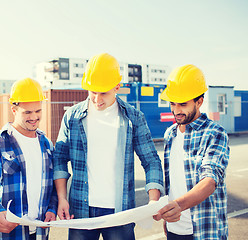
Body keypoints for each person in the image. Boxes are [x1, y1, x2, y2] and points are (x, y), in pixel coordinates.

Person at [53, 53, 164, 240]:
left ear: (117, 87)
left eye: (103, 92)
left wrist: (154, 199)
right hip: (81, 210)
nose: (97, 99)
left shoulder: (133, 118)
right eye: (92, 92)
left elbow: (151, 160)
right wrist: (62, 198)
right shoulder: (72, 117)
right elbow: (59, 159)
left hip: (120, 213)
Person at [154, 64, 229, 239]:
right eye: (172, 103)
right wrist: (168, 217)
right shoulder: (170, 134)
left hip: (204, 230)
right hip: (174, 229)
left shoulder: (215, 133)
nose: (176, 110)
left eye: (183, 104)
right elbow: (173, 183)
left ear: (199, 102)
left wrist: (178, 205)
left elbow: (210, 180)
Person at [0, 78, 58, 240]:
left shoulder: (47, 145)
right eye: (27, 112)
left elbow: (53, 185)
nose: (34, 117)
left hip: (41, 233)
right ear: (14, 109)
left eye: (38, 111)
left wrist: (52, 209)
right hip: (10, 234)